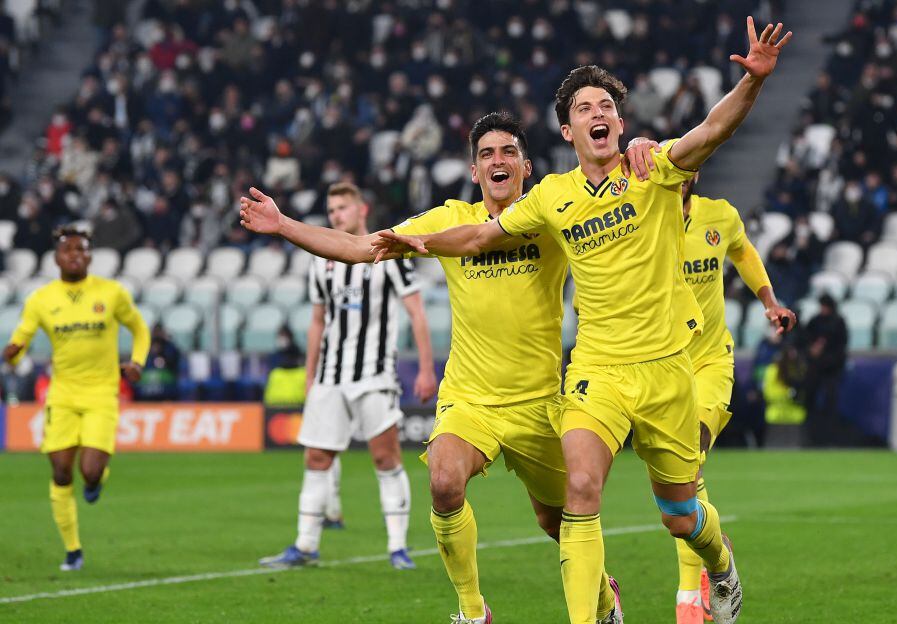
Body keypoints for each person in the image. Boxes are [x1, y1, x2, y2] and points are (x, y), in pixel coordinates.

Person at [369, 19, 792, 624]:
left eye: (605, 106)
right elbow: (482, 234)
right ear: (568, 130)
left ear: (620, 124)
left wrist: (751, 83)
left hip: (668, 370)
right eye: (582, 107)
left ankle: (719, 562)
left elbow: (713, 129)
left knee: (680, 513)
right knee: (581, 494)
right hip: (596, 372)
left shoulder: (655, 169)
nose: (597, 114)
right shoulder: (552, 197)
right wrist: (416, 241)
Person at [239, 113, 657, 624]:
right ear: (475, 172)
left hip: (539, 401)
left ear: (526, 166)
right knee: (442, 481)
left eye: (507, 152)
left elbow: (607, 182)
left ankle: (600, 596)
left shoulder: (552, 208)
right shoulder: (448, 219)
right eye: (486, 155)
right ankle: (472, 611)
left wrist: (636, 145)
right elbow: (358, 247)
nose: (497, 161)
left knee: (556, 520)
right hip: (470, 398)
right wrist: (283, 225)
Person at [259, 182, 438, 571]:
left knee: (385, 456)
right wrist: (310, 375)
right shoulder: (320, 263)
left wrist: (426, 369)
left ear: (362, 209)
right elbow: (317, 322)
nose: (336, 215)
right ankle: (305, 545)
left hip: (374, 374)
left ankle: (397, 548)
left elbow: (417, 313)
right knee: (317, 456)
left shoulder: (388, 253)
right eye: (331, 209)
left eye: (342, 207)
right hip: (330, 376)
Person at [671, 172, 796, 623]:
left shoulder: (719, 215)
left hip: (710, 363)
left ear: (695, 173)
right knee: (676, 487)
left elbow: (742, 251)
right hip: (663, 367)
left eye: (687, 166)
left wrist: (769, 300)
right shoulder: (642, 219)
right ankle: (716, 555)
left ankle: (688, 601)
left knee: (689, 461)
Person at [2, 225, 149, 571]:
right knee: (61, 471)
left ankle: (96, 482)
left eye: (82, 250)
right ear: (56, 257)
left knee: (91, 471)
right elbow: (21, 339)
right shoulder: (41, 299)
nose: (76, 255)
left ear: (90, 255)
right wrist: (14, 353)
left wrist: (138, 362)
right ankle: (72, 550)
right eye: (69, 250)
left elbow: (140, 328)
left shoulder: (111, 293)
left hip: (101, 393)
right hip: (63, 393)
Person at [801, 294, 849, 447]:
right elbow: (804, 341)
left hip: (831, 371)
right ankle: (810, 437)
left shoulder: (838, 322)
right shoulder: (815, 321)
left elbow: (840, 349)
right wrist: (811, 350)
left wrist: (823, 356)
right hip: (815, 370)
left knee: (830, 404)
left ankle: (830, 438)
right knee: (810, 402)